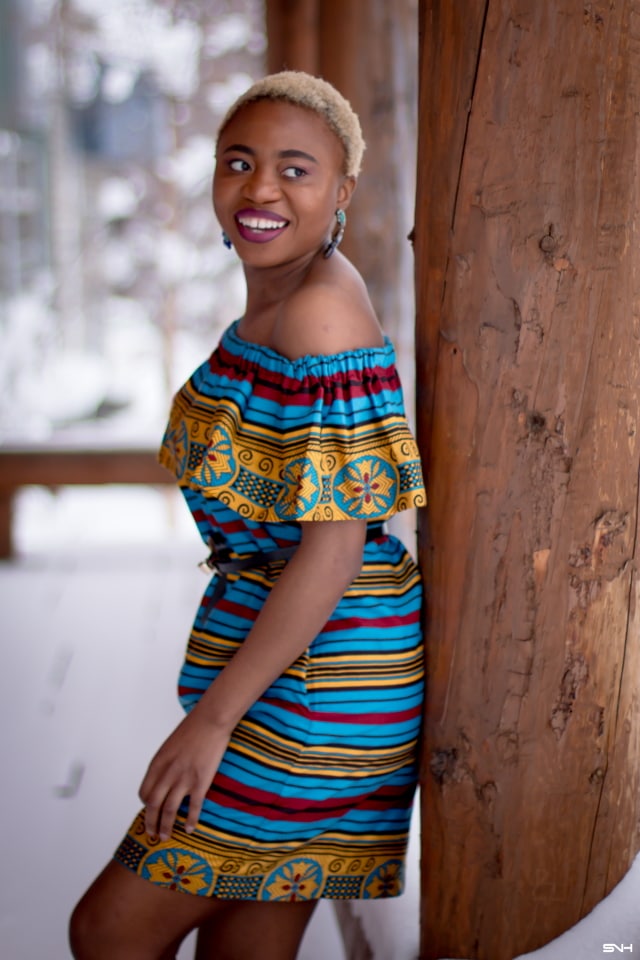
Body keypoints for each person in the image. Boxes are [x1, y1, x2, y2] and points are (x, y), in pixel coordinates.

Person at [69, 70, 426, 960]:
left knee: (108, 932)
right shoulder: (284, 295)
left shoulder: (321, 319)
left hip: (317, 684)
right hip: (302, 665)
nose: (260, 189)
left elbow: (334, 549)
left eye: (295, 170)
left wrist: (212, 720)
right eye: (240, 162)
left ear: (342, 191)